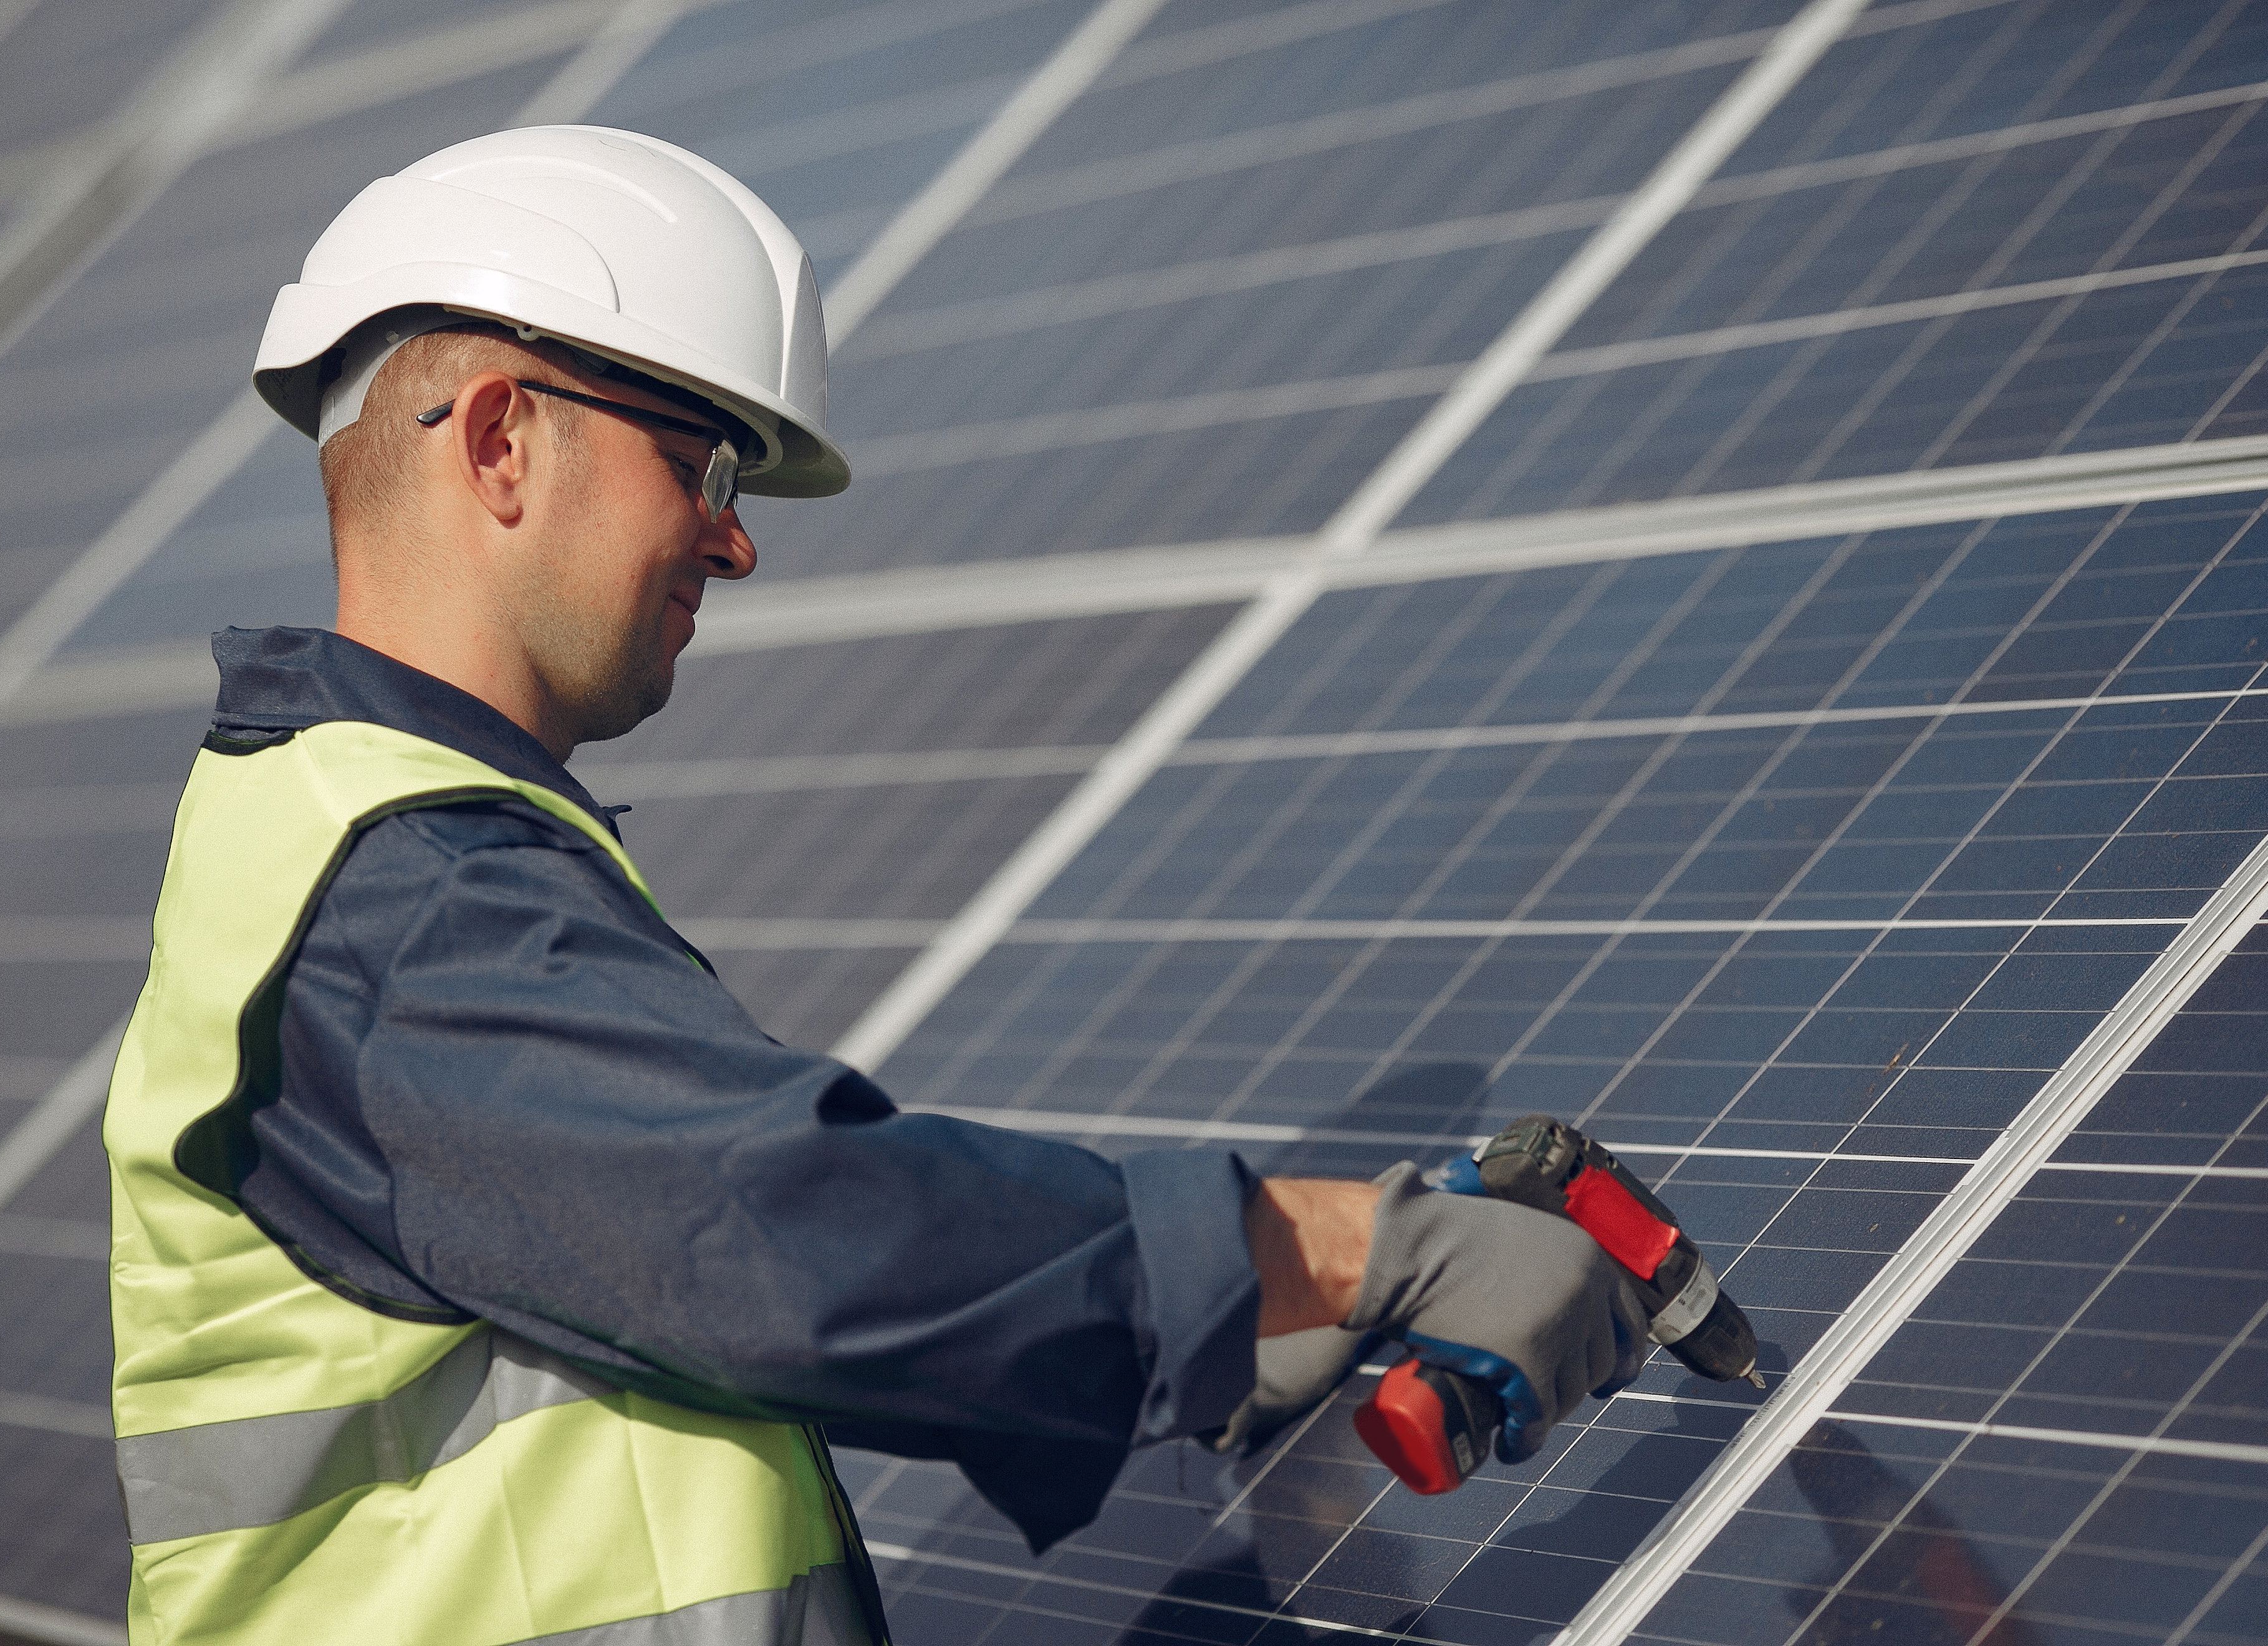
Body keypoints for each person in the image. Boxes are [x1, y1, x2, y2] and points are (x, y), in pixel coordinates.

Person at [102, 127, 1643, 1646]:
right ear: (501, 438)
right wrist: (1351, 1252)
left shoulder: (336, 829)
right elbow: (783, 1227)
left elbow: (655, 1288)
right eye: (701, 458)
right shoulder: (410, 897)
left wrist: (1212, 1331)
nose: (737, 540)